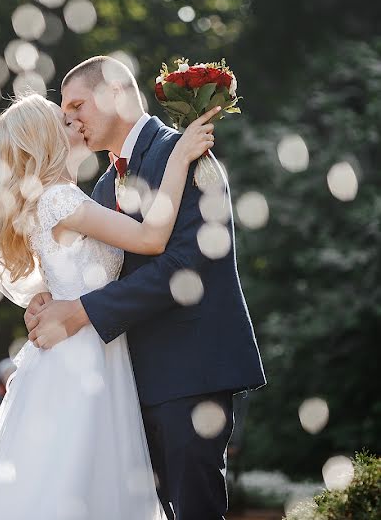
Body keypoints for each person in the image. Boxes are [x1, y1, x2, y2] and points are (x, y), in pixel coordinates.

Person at [23, 56, 266, 519]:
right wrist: (47, 302)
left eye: (78, 104)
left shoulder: (187, 154)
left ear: (115, 92)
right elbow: (95, 272)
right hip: (125, 382)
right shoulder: (98, 190)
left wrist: (79, 312)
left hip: (189, 373)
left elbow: (186, 267)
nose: (70, 118)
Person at [0, 89, 219, 519]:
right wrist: (178, 159)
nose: (76, 124)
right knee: (84, 476)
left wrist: (44, 297)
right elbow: (150, 239)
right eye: (64, 123)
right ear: (47, 141)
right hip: (84, 353)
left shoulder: (54, 198)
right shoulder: (60, 199)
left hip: (81, 348)